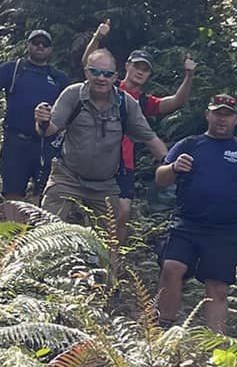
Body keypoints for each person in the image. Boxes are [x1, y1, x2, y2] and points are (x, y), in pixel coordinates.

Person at [153, 94, 237, 332]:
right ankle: (160, 330)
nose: (222, 119)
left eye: (227, 115)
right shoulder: (189, 144)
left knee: (218, 286)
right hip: (187, 222)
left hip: (226, 229)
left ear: (236, 119)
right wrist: (173, 167)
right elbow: (160, 179)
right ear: (207, 115)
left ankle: (216, 344)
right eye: (217, 113)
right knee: (172, 268)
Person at [42, 48, 166, 257]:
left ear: (115, 77)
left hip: (105, 184)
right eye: (95, 72)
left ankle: (110, 285)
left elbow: (150, 138)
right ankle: (39, 279)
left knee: (108, 246)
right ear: (86, 73)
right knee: (46, 231)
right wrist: (42, 120)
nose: (101, 78)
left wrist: (170, 165)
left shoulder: (126, 104)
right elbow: (50, 129)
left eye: (107, 74)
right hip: (67, 176)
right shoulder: (73, 95)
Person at [0, 29, 68, 210]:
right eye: (36, 42)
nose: (40, 46)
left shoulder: (59, 77)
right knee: (12, 190)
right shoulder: (13, 69)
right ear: (28, 45)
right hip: (16, 140)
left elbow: (71, 105)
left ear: (51, 49)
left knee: (42, 191)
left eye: (45, 44)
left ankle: (36, 232)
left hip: (47, 142)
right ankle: (15, 232)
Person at [115, 36, 195, 241]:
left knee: (122, 212)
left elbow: (176, 102)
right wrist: (98, 37)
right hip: (96, 155)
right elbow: (89, 65)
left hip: (124, 162)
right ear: (127, 66)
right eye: (137, 66)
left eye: (146, 69)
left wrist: (189, 75)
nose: (140, 71)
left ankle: (113, 264)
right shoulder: (109, 87)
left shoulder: (144, 101)